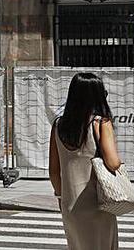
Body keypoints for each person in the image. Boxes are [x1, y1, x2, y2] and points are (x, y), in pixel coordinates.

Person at [50, 72, 121, 250]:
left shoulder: (58, 125)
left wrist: (61, 197)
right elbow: (113, 163)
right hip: (99, 203)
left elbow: (53, 171)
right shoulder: (100, 122)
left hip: (70, 204)